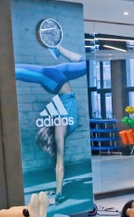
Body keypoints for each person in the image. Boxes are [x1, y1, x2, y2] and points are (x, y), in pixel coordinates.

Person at [15, 45, 88, 202]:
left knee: (19, 71)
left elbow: (59, 164)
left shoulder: (61, 127)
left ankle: (4, 69)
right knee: (86, 64)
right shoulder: (60, 128)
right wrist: (58, 193)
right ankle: (58, 48)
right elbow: (59, 163)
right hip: (58, 79)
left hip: (56, 81)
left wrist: (58, 192)